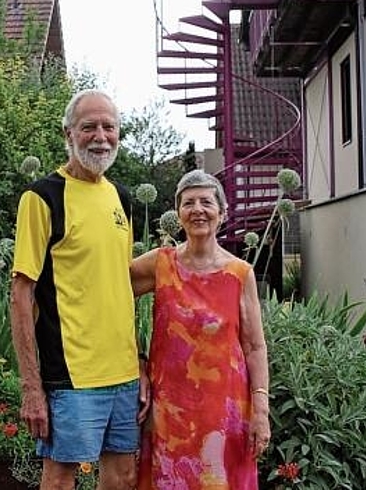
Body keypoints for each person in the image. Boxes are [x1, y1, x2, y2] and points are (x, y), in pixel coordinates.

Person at [9, 89, 145, 490]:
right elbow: (20, 296)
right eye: (89, 127)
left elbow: (118, 285)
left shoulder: (120, 197)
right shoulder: (42, 197)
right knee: (59, 479)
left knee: (123, 476)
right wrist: (31, 388)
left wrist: (139, 359)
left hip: (123, 374)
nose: (100, 136)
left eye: (109, 126)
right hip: (71, 374)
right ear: (68, 133)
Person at [131, 168, 271, 489]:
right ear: (178, 213)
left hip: (226, 413)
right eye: (188, 203)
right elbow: (113, 299)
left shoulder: (240, 273)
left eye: (206, 202)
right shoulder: (160, 264)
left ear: (221, 213)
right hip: (170, 411)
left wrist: (260, 410)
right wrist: (137, 360)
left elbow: (254, 347)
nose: (197, 210)